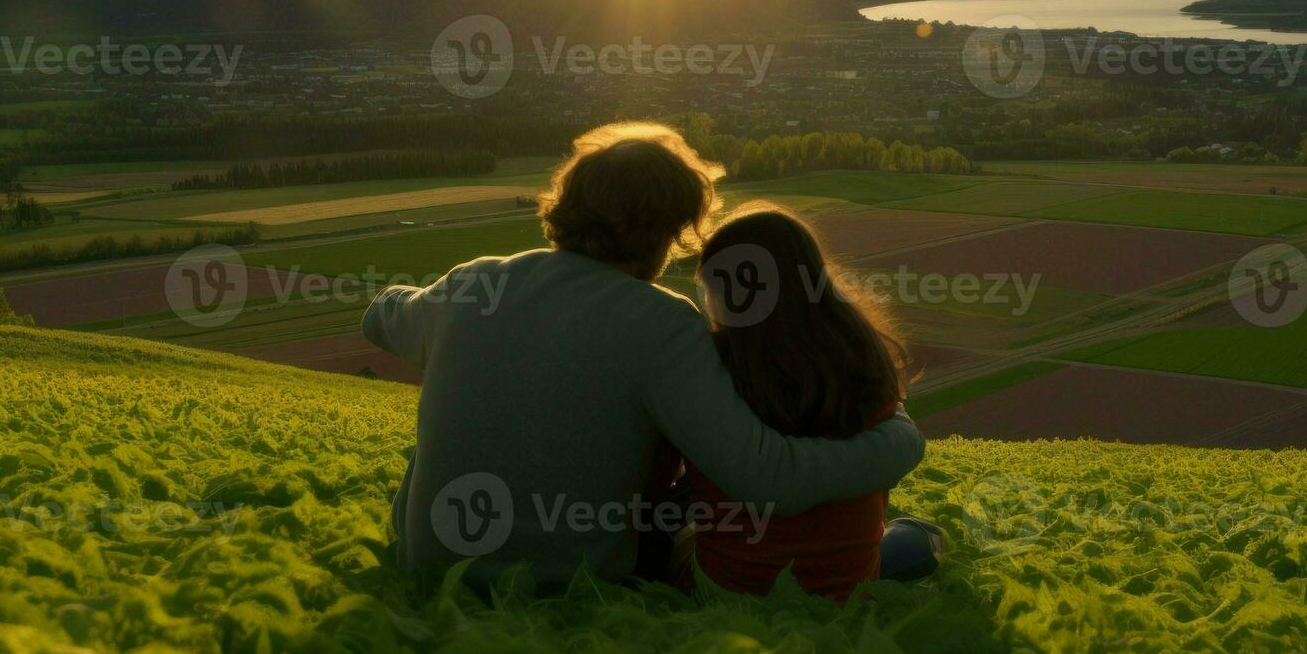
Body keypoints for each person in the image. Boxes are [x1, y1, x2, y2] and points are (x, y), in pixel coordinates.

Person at [362, 122, 925, 590]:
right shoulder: (664, 322)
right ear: (671, 229)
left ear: (563, 207)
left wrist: (419, 302)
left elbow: (380, 317)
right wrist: (898, 441)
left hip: (432, 569)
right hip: (568, 585)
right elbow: (768, 479)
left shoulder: (473, 283)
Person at [671, 206, 944, 602]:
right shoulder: (858, 352)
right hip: (842, 587)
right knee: (918, 538)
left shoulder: (706, 363)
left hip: (730, 589)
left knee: (677, 528)